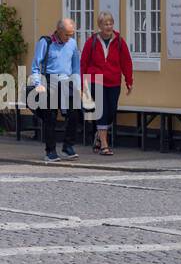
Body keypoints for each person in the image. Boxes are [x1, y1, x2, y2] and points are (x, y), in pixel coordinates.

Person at [80, 12, 133, 156]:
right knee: (101, 110)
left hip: (113, 80)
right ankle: (104, 144)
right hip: (95, 78)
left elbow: (126, 62)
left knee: (111, 111)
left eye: (110, 23)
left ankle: (99, 134)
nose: (108, 26)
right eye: (105, 24)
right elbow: (83, 63)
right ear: (100, 26)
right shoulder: (91, 42)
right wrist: (82, 84)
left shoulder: (119, 42)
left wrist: (129, 80)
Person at [29, 18, 82, 162]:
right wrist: (38, 83)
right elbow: (35, 65)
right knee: (50, 117)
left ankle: (68, 146)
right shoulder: (45, 43)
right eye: (67, 34)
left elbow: (76, 67)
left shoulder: (72, 43)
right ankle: (50, 151)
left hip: (67, 82)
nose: (69, 38)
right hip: (49, 81)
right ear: (58, 31)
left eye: (72, 34)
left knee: (74, 114)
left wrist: (78, 86)